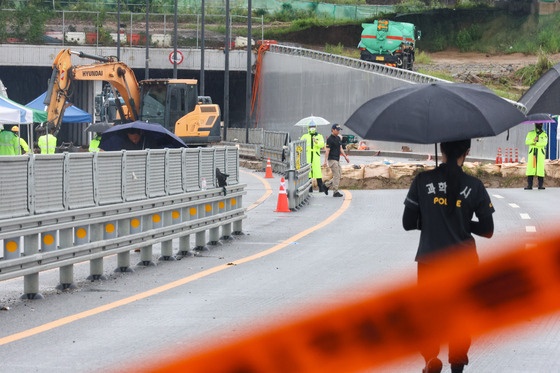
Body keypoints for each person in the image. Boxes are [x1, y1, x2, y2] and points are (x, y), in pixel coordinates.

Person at [402, 139, 495, 373]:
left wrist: (430, 219)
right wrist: (463, 222)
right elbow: (488, 230)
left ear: (441, 149)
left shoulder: (423, 181)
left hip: (429, 261)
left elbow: (407, 223)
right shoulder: (474, 185)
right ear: (467, 151)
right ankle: (457, 367)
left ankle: (431, 359)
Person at [323, 123, 349, 197]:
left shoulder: (338, 138)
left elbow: (341, 148)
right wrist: (325, 161)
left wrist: (345, 157)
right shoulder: (330, 139)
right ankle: (335, 192)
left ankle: (326, 185)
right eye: (337, 130)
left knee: (339, 175)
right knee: (336, 175)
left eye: (339, 130)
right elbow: (327, 150)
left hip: (337, 159)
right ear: (332, 130)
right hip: (332, 159)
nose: (338, 131)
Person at [300, 124, 326, 193]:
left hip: (315, 156)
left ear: (316, 128)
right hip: (308, 156)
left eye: (313, 127)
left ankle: (321, 187)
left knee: (317, 172)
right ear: (308, 128)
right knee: (308, 172)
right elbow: (300, 144)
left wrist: (316, 142)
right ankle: (309, 188)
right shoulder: (305, 136)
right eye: (311, 127)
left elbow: (322, 144)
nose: (312, 128)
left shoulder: (319, 136)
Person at [524, 122, 548, 190]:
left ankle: (540, 185)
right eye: (538, 123)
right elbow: (527, 142)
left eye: (541, 124)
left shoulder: (544, 134)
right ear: (535, 124)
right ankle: (529, 185)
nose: (539, 125)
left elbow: (544, 143)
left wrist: (536, 144)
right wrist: (533, 140)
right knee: (531, 168)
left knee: (540, 169)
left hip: (540, 154)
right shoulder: (530, 133)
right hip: (532, 154)